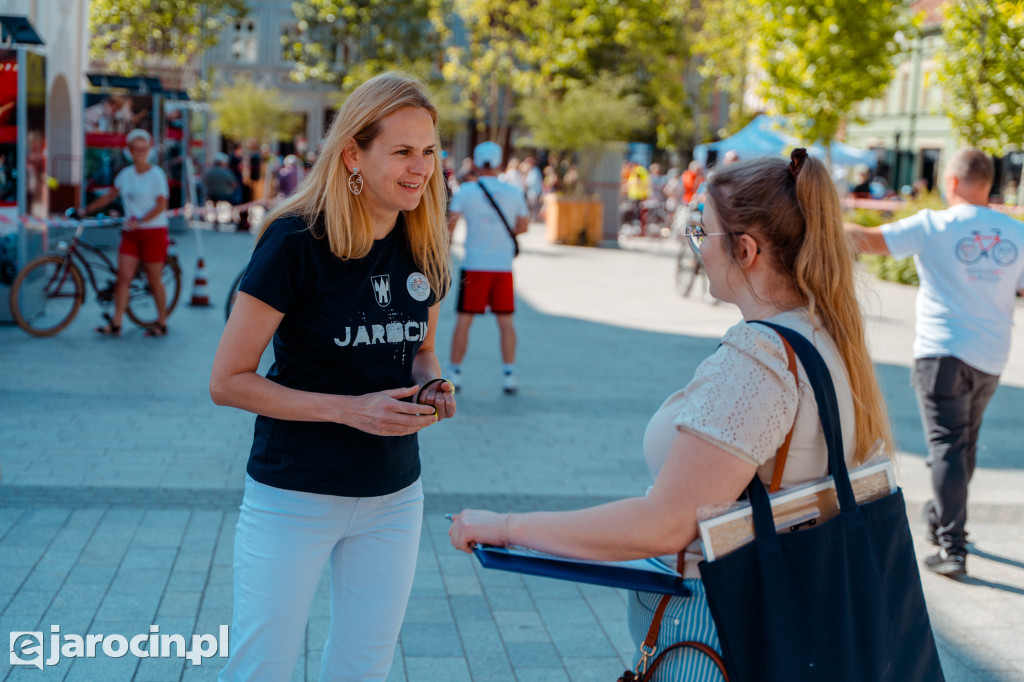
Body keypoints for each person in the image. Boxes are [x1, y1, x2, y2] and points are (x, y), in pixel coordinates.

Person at [450, 149, 893, 681]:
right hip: (791, 621)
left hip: (720, 633)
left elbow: (665, 524)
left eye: (702, 233)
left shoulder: (762, 359)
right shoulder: (823, 334)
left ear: (746, 249)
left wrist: (505, 527)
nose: (697, 249)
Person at [209, 72, 456, 681]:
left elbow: (421, 350)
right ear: (353, 153)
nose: (420, 167)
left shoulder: (424, 240)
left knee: (362, 667)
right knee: (260, 668)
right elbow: (228, 380)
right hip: (294, 495)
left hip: (394, 497)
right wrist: (349, 409)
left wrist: (431, 385)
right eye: (401, 151)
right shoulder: (294, 241)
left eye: (428, 151)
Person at [846, 147, 1024, 579]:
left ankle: (953, 547)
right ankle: (941, 517)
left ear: (952, 181)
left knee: (946, 444)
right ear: (989, 183)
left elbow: (869, 240)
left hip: (942, 351)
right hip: (991, 354)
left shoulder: (934, 224)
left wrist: (821, 218)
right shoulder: (1015, 232)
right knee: (962, 445)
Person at [447, 141, 529, 395]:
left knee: (463, 320)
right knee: (506, 322)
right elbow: (523, 226)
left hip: (473, 264)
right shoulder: (513, 192)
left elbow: (450, 227)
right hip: (502, 265)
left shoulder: (466, 192)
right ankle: (509, 375)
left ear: (475, 163)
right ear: (499, 164)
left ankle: (454, 374)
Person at [82, 128, 170, 337]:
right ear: (129, 150)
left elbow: (161, 205)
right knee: (123, 277)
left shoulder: (156, 174)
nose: (139, 152)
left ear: (148, 150)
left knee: (153, 278)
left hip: (153, 231)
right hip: (131, 232)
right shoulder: (126, 174)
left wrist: (141, 220)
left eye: (143, 148)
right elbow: (109, 196)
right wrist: (84, 211)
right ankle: (116, 322)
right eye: (135, 149)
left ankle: (161, 321)